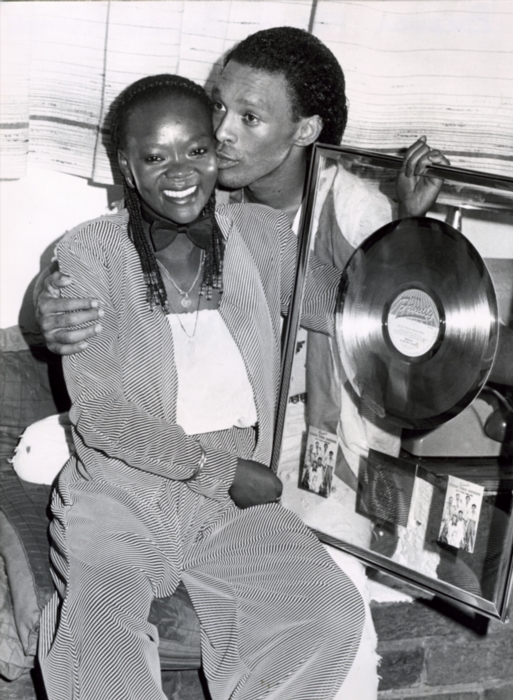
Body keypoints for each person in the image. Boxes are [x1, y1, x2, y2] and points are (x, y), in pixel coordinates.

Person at [33, 25, 513, 696]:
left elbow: (385, 314)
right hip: (146, 483)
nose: (218, 134)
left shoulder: (273, 232)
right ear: (127, 162)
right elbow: (103, 397)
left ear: (304, 130)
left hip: (272, 479)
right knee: (99, 641)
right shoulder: (116, 237)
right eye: (215, 107)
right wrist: (48, 298)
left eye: (239, 122)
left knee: (329, 616)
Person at [38, 74, 367, 700]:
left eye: (195, 149)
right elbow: (102, 416)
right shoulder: (89, 253)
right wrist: (222, 472)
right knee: (99, 656)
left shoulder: (261, 236)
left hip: (227, 511)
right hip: (120, 495)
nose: (180, 172)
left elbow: (343, 304)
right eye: (155, 157)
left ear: (216, 150)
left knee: (327, 614)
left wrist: (412, 228)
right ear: (128, 168)